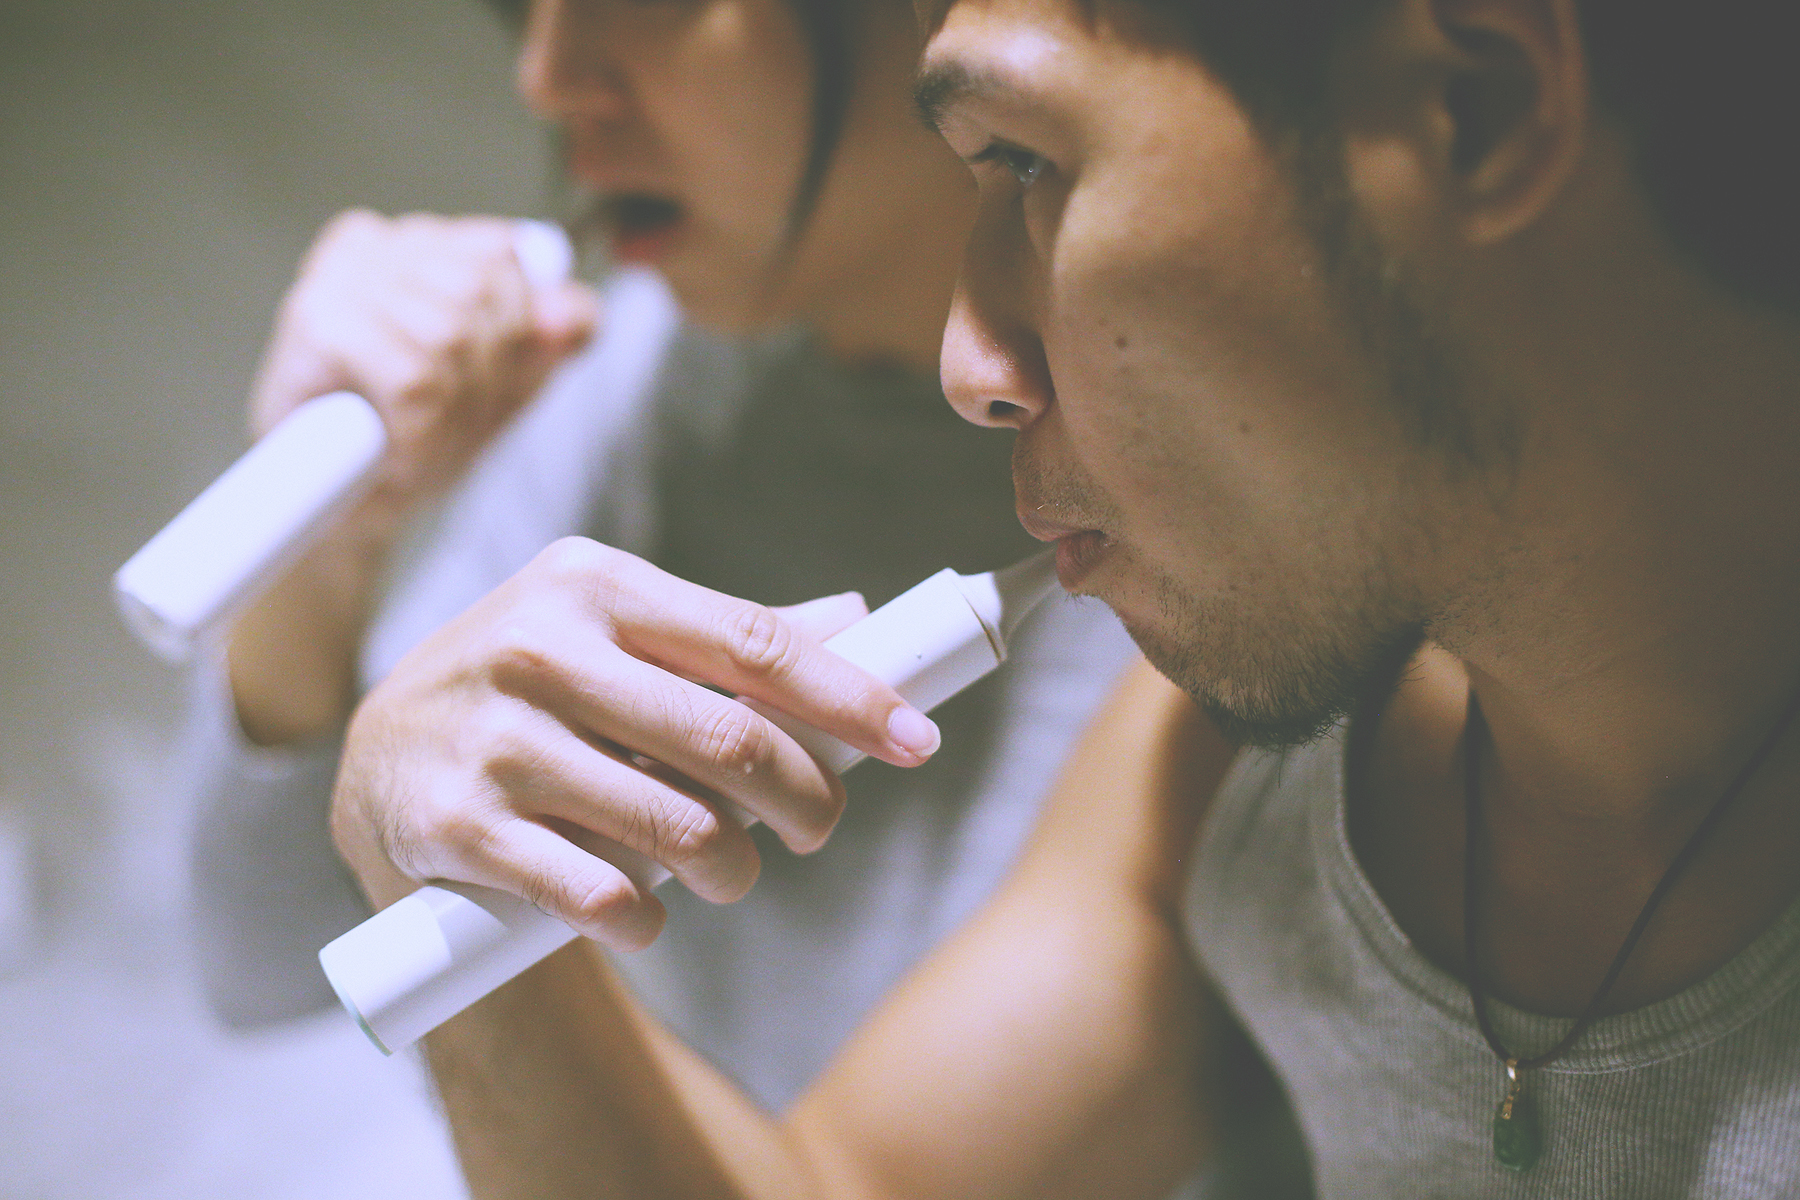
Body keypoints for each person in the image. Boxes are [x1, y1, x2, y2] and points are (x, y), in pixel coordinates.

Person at [319, 0, 1800, 1194]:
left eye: (1026, 163)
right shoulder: (1220, 762)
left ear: (1474, 108)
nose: (970, 366)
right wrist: (443, 865)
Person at [183, 0, 1138, 1119]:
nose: (545, 78)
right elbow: (266, 955)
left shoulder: (1184, 512)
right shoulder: (657, 363)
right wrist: (333, 541)